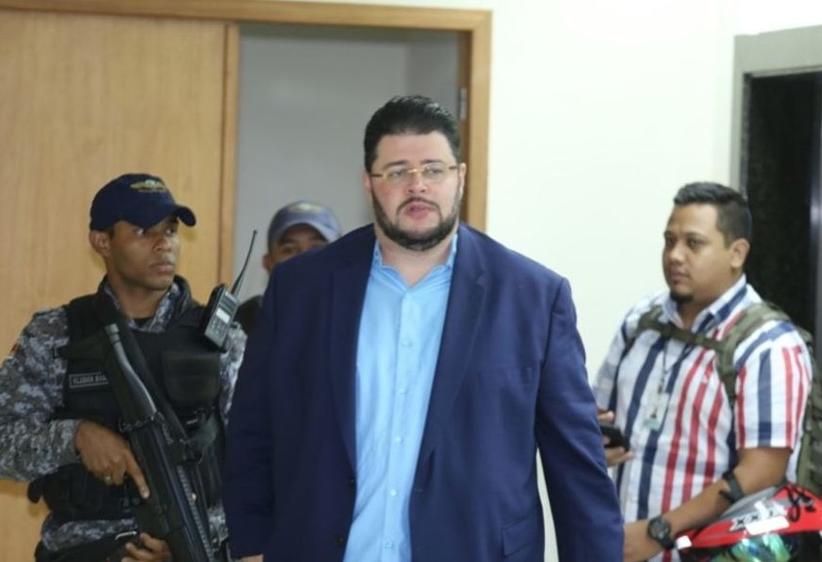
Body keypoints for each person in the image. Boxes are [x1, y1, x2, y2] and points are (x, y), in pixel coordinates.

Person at [224, 95, 623, 562]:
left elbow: (578, 469)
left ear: (460, 177)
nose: (417, 186)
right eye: (397, 172)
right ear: (369, 183)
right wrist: (253, 547)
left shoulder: (532, 298)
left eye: (434, 169)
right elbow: (253, 430)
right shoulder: (301, 289)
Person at [0, 173, 245, 562]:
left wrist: (191, 546)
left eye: (171, 230)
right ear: (102, 242)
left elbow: (260, 458)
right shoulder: (55, 334)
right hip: (85, 550)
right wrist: (75, 437)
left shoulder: (220, 339)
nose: (164, 244)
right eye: (144, 231)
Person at [594, 182, 813, 562]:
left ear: (736, 253)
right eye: (669, 241)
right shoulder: (641, 322)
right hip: (619, 547)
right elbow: (596, 415)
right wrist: (593, 441)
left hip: (709, 554)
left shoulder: (768, 345)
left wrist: (658, 531)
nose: (675, 255)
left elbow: (762, 472)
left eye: (693, 244)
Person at [235, 200, 342, 335]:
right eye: (290, 250)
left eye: (317, 248)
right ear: (268, 263)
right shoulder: (243, 324)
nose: (304, 259)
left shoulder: (357, 323)